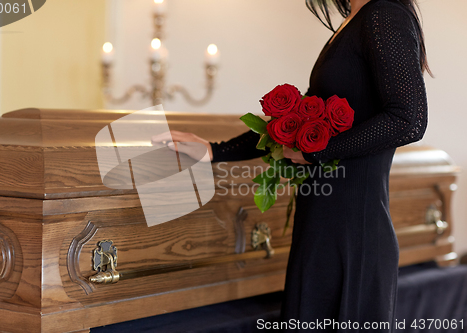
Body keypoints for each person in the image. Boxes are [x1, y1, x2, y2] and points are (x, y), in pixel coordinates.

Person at [152, 0, 428, 331]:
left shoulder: (383, 13)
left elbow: (409, 120)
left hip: (354, 233)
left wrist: (317, 152)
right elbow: (294, 122)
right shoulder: (354, 20)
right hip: (321, 225)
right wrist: (214, 150)